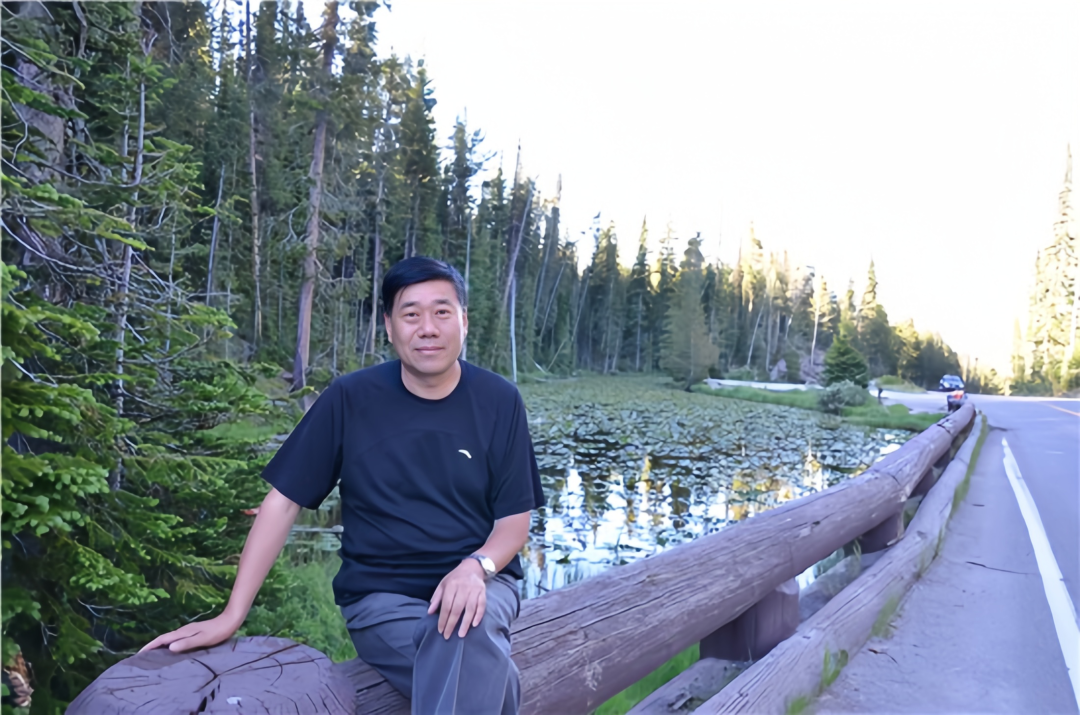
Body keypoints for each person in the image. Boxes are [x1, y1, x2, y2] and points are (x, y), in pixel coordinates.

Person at [142, 257, 546, 715]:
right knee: (482, 667)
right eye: (411, 314)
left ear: (464, 321)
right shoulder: (351, 398)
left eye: (442, 312)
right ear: (389, 326)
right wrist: (233, 613)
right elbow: (283, 503)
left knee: (466, 627)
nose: (428, 328)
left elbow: (513, 524)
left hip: (483, 582)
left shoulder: (499, 400)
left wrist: (474, 568)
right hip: (383, 599)